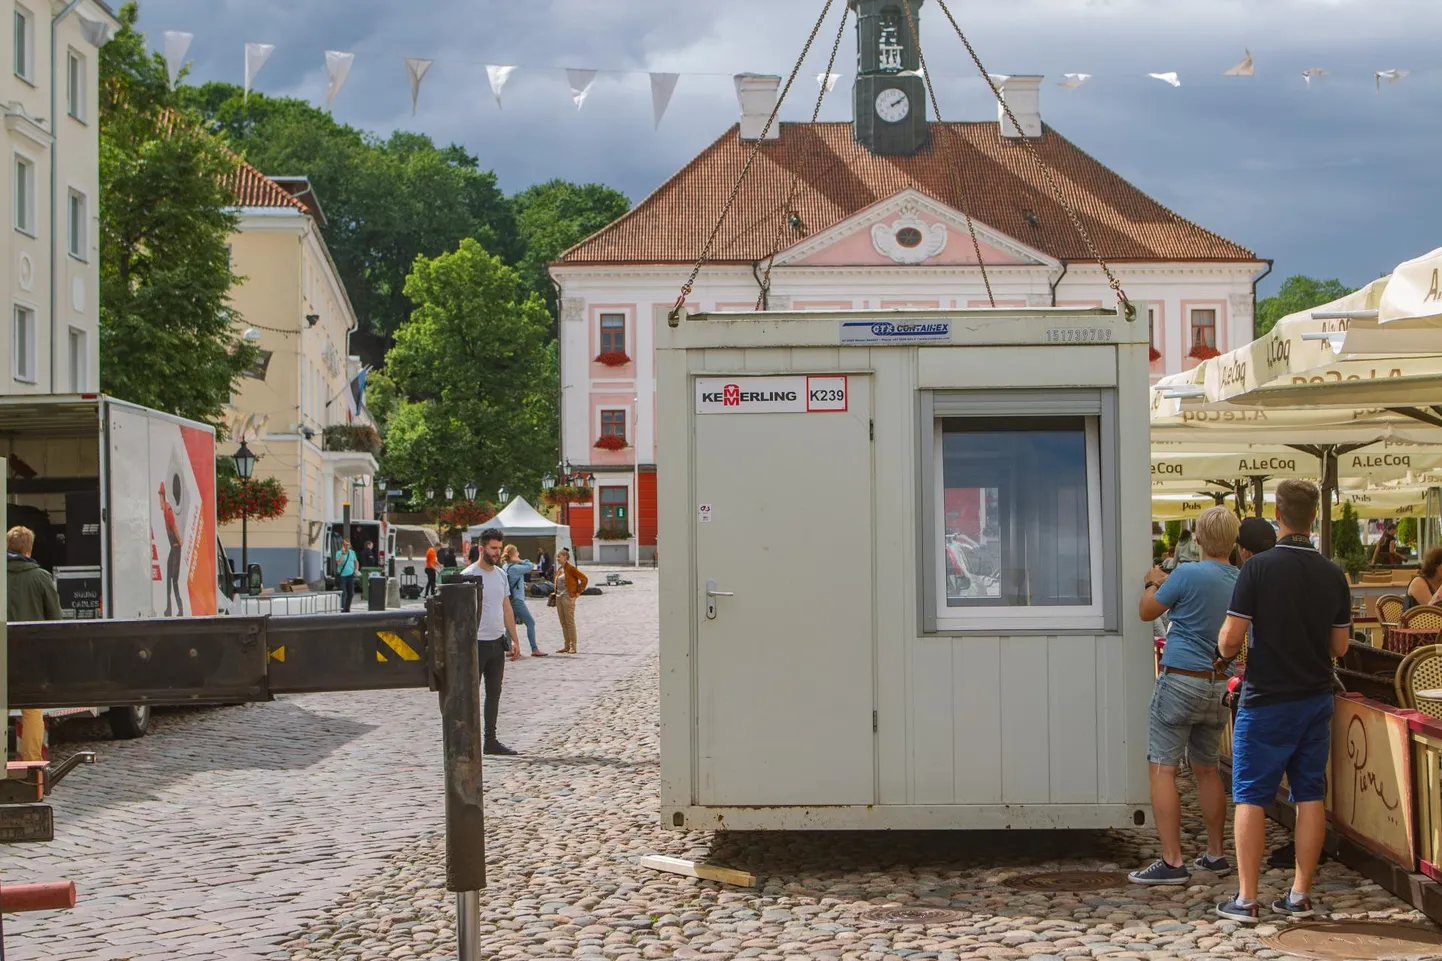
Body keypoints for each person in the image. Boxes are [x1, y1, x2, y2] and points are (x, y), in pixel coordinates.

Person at [1214, 479, 1352, 923]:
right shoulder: (1333, 573)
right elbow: (1341, 648)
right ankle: (1299, 895)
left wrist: (1222, 650)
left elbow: (1232, 639)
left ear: (1278, 513)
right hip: (1316, 697)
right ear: (1314, 516)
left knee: (1251, 794)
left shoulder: (1258, 569)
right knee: (1310, 793)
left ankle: (1247, 898)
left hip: (1268, 696)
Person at [1129, 506, 1241, 886]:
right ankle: (1215, 853)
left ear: (1197, 538)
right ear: (1234, 541)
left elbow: (1147, 612)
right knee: (1208, 770)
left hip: (1179, 680)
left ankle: (1172, 860)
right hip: (1217, 683)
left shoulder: (1187, 574)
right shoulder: (1241, 580)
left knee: (1163, 767)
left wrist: (1152, 581)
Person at [461, 528, 523, 755]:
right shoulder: (468, 575)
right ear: (482, 548)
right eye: (493, 548)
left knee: (494, 692)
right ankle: (468, 740)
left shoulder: (500, 575)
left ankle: (490, 740)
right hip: (475, 643)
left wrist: (514, 639)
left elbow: (506, 607)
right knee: (470, 694)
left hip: (497, 643)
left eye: (499, 548)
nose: (498, 553)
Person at [8, 526, 62, 762]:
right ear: (29, 550)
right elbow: (55, 620)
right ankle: (31, 762)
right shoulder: (41, 577)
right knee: (32, 710)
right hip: (31, 655)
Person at [503, 545, 545, 657]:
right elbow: (530, 566)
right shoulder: (516, 568)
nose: (519, 554)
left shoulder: (505, 567)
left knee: (509, 625)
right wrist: (520, 560)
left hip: (509, 599)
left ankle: (508, 649)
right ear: (513, 554)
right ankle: (534, 649)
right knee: (530, 622)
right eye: (517, 552)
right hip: (517, 600)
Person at [553, 547, 588, 655]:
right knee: (563, 623)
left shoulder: (570, 568)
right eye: (557, 556)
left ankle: (573, 646)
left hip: (568, 598)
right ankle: (566, 645)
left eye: (559, 556)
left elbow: (584, 579)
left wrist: (577, 593)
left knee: (570, 622)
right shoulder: (559, 569)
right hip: (559, 598)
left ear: (565, 557)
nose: (557, 558)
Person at [159, 481, 185, 616]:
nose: (159, 500)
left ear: (163, 496)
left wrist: (180, 540)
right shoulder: (165, 510)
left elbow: (173, 526)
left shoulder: (167, 510)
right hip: (173, 549)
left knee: (174, 579)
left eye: (160, 496)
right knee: (168, 577)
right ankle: (169, 608)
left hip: (176, 548)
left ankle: (180, 608)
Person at [335, 539, 359, 612]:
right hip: (342, 576)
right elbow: (338, 563)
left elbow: (356, 562)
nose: (347, 546)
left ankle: (347, 608)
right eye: (345, 545)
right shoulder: (339, 553)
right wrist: (343, 553)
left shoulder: (352, 553)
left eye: (348, 545)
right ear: (342, 545)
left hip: (350, 575)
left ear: (350, 545)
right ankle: (342, 609)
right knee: (343, 593)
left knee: (351, 593)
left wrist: (356, 569)